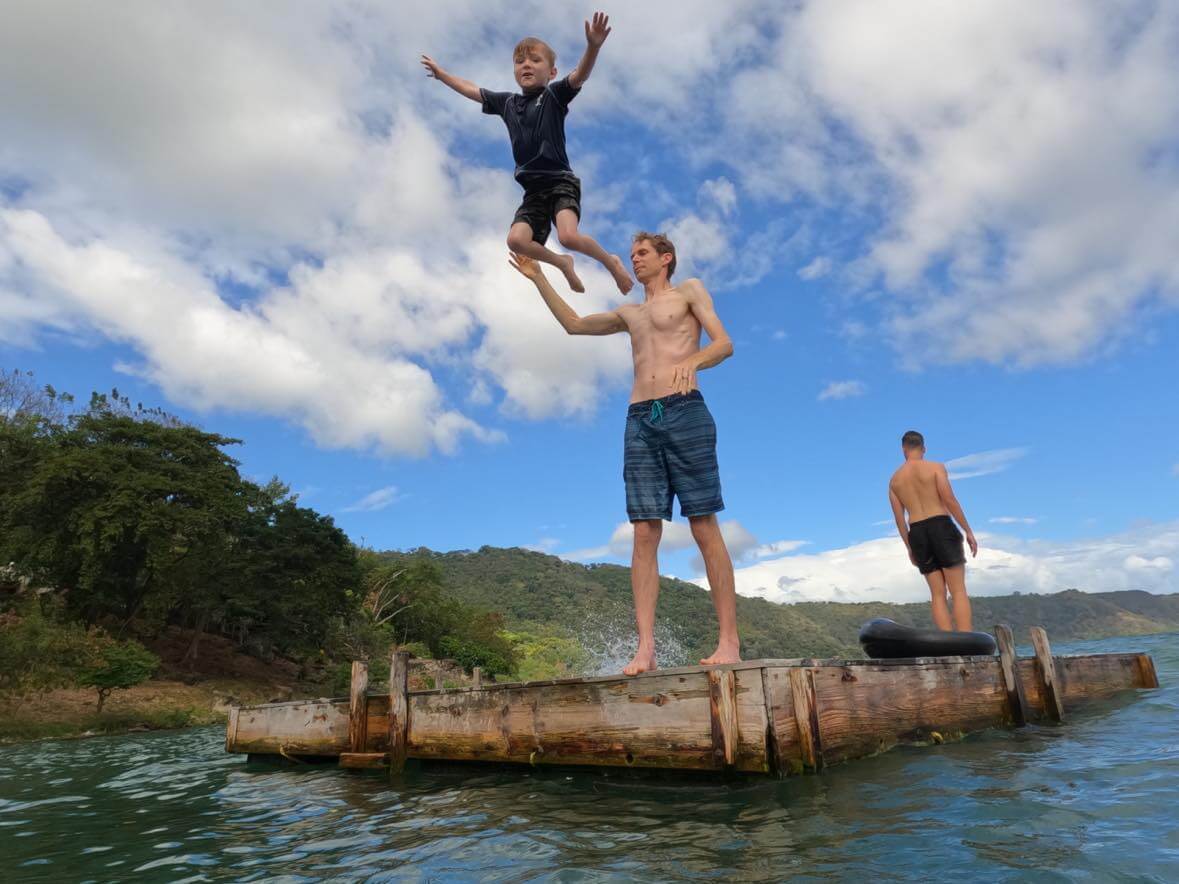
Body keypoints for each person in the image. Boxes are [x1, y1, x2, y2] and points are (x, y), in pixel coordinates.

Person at [509, 232, 741, 675]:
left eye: (642, 253)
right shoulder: (629, 312)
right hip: (640, 417)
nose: (635, 260)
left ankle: (728, 641)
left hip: (686, 410)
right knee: (643, 532)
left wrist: (693, 362)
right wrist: (539, 278)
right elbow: (574, 324)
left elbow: (723, 343)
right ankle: (646, 648)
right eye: (632, 255)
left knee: (703, 523)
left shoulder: (689, 291)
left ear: (665, 258)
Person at [421, 13, 633, 296]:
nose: (527, 65)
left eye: (535, 61)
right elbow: (472, 90)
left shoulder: (555, 96)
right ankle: (561, 263)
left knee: (568, 235)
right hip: (533, 190)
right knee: (516, 241)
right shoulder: (507, 102)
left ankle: (611, 262)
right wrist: (442, 75)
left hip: (560, 181)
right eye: (520, 62)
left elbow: (580, 75)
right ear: (514, 71)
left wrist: (593, 46)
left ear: (552, 72)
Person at [888, 430, 979, 632]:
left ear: (903, 449)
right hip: (940, 525)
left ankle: (948, 645)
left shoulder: (894, 481)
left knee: (937, 594)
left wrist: (909, 547)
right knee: (958, 591)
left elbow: (899, 520)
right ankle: (966, 644)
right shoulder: (935, 468)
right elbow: (949, 499)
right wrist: (968, 531)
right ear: (923, 448)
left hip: (918, 532)